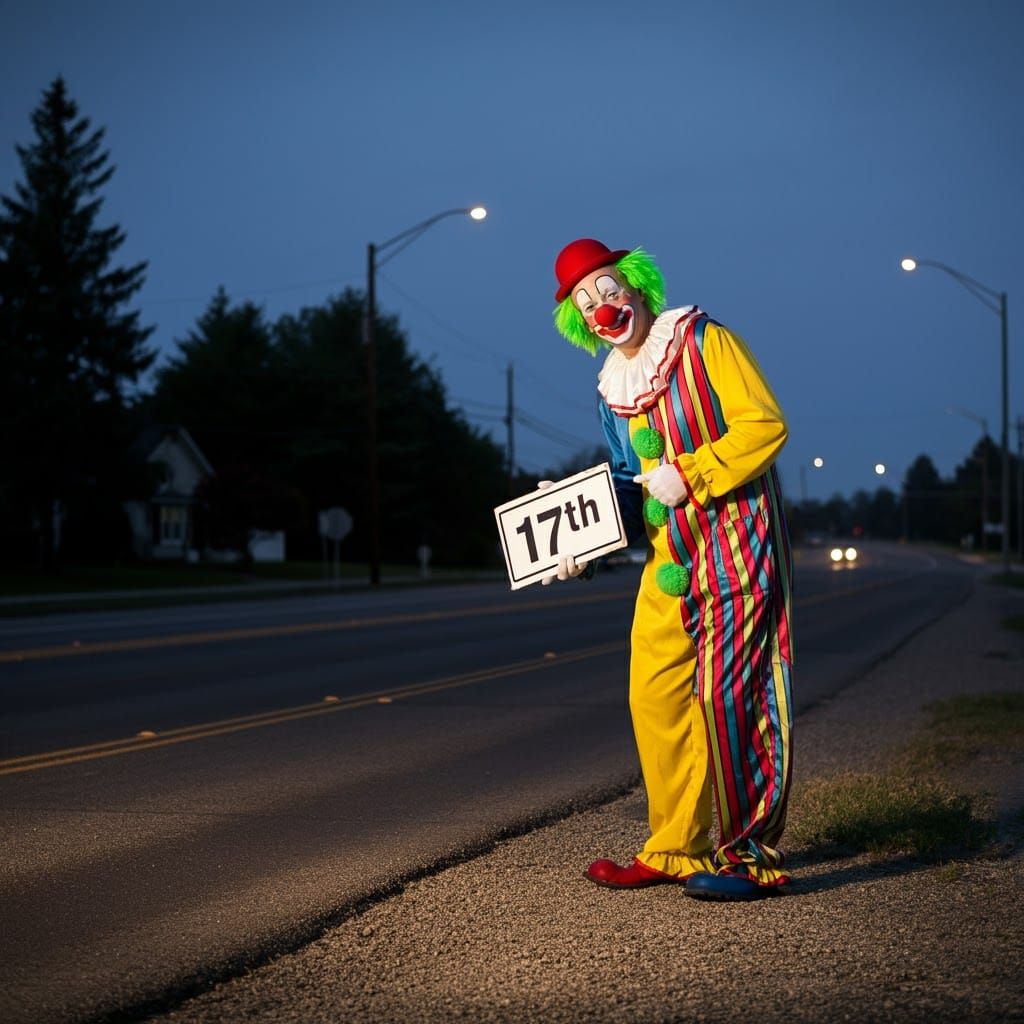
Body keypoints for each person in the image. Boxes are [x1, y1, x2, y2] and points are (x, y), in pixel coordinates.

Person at [546, 238, 794, 901]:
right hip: (667, 565)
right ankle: (674, 848)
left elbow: (764, 425)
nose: (602, 310)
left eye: (608, 291)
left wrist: (692, 472)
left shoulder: (704, 341)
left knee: (729, 702)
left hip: (736, 549)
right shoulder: (611, 388)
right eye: (585, 303)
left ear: (635, 286)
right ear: (577, 319)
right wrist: (585, 543)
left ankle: (749, 857)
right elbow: (631, 483)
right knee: (654, 698)